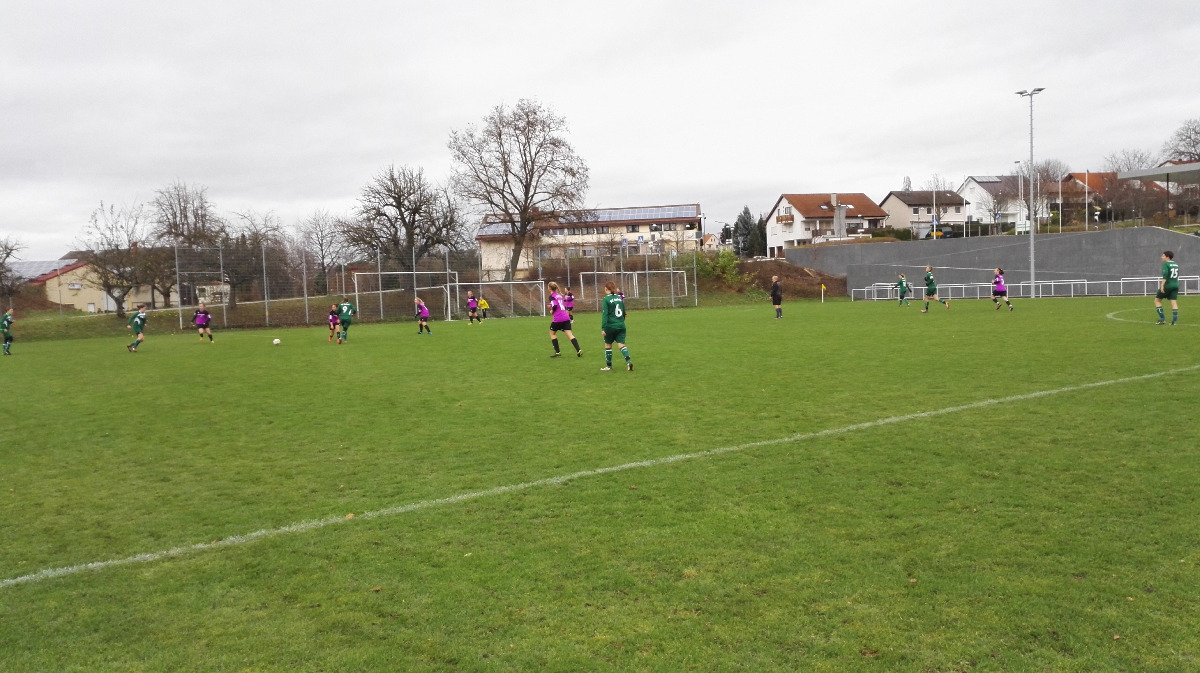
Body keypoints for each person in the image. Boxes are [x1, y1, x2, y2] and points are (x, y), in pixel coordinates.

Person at [600, 282, 633, 371]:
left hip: (610, 326)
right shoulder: (619, 298)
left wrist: (603, 328)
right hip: (621, 325)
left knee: (608, 344)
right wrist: (621, 322)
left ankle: (609, 366)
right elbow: (624, 313)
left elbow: (605, 315)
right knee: (621, 344)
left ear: (606, 289)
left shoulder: (606, 299)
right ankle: (628, 361)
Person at [546, 281, 581, 358]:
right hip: (566, 317)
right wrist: (551, 306)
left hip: (558, 318)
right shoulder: (559, 295)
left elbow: (555, 306)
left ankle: (558, 352)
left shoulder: (552, 296)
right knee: (570, 335)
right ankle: (578, 350)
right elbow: (560, 305)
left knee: (552, 333)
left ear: (549, 288)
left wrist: (551, 310)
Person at [1156, 250, 1179, 325]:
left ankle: (1162, 319)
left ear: (1167, 257)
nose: (1161, 257)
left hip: (1168, 285)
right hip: (1175, 285)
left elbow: (1165, 275)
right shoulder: (1175, 264)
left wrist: (1162, 285)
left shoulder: (1165, 264)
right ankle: (1174, 321)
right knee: (1173, 302)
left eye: (1163, 256)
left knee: (1157, 301)